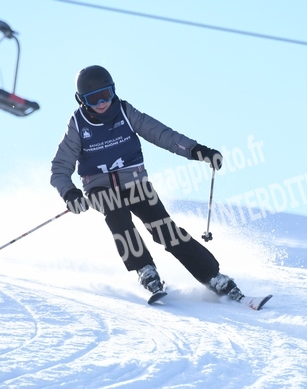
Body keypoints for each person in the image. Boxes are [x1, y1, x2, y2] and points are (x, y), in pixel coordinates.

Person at [50, 65, 245, 303]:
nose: (102, 103)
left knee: (164, 229)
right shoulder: (78, 125)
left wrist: (197, 151)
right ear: (81, 100)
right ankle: (144, 269)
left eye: (106, 94)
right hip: (99, 188)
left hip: (135, 183)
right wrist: (70, 193)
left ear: (114, 91)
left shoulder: (125, 113)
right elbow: (60, 168)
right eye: (94, 98)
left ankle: (213, 276)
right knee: (116, 215)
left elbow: (162, 135)